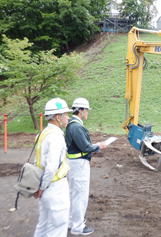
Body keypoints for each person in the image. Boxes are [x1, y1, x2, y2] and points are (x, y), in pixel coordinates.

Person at [66, 98, 106, 235]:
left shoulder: (73, 124)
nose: (88, 113)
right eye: (87, 110)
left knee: (74, 194)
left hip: (74, 163)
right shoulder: (76, 126)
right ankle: (78, 227)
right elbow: (85, 147)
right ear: (81, 110)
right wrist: (98, 146)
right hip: (79, 165)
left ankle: (72, 222)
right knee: (80, 196)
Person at [34, 98, 73, 237]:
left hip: (45, 187)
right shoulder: (56, 136)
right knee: (57, 229)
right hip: (55, 187)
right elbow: (51, 167)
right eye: (66, 114)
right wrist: (42, 188)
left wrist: (39, 187)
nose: (68, 117)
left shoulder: (42, 134)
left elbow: (37, 161)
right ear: (58, 117)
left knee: (43, 226)